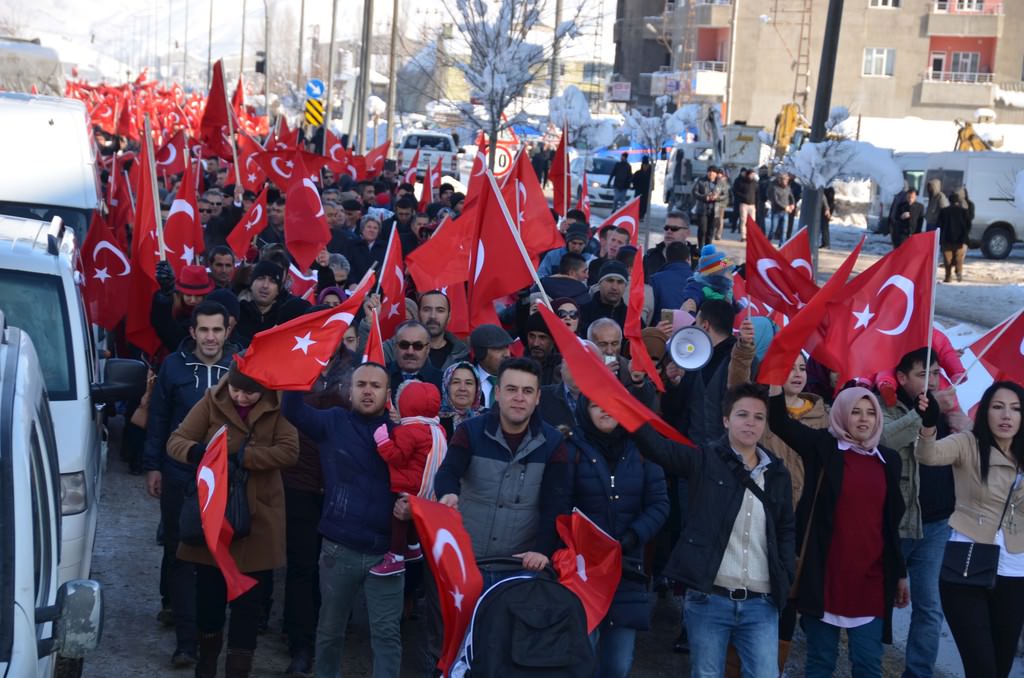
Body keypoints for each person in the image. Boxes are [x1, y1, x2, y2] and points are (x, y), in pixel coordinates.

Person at [631, 383, 795, 677]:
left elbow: (785, 527)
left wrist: (784, 572)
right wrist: (631, 396)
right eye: (742, 414)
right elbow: (656, 447)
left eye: (759, 417)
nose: (751, 422)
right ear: (726, 420)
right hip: (709, 599)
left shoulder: (778, 473)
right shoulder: (704, 460)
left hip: (761, 603)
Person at [167, 362, 300, 678]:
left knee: (249, 607)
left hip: (258, 520)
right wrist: (203, 453)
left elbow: (290, 451)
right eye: (236, 390)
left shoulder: (276, 407)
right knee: (209, 601)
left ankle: (238, 670)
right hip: (213, 517)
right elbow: (176, 442)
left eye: (250, 392)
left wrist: (246, 457)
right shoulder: (212, 400)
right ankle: (207, 662)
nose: (241, 397)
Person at [767, 385, 908, 678]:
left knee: (869, 664)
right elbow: (779, 422)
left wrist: (901, 573)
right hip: (824, 576)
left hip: (871, 578)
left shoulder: (888, 460)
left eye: (870, 412)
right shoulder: (823, 448)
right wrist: (775, 384)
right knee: (821, 662)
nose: (863, 419)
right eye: (855, 411)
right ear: (842, 413)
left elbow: (890, 524)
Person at [281, 363, 404, 678]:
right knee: (330, 631)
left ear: (388, 394)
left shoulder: (401, 434)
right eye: (360, 384)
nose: (367, 391)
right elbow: (293, 410)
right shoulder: (333, 422)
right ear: (349, 391)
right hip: (339, 548)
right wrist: (302, 363)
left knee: (387, 636)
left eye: (375, 386)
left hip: (387, 553)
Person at [143, 302, 234, 668]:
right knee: (180, 556)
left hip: (227, 480)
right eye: (204, 330)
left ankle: (210, 634)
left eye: (217, 330)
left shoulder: (241, 368)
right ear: (192, 333)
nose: (210, 337)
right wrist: (153, 466)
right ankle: (185, 642)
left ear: (227, 332)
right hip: (180, 475)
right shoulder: (173, 367)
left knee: (218, 556)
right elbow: (159, 419)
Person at [915, 381, 1024, 678]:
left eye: (1015, 409)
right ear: (985, 411)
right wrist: (928, 424)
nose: (1006, 415)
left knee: (999, 670)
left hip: (1015, 573)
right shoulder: (968, 443)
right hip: (966, 566)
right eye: (998, 407)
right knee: (983, 670)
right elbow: (928, 455)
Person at [434, 358, 571, 581]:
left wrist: (542, 550)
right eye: (511, 389)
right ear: (497, 393)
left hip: (519, 565)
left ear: (537, 398)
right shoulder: (470, 431)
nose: (519, 398)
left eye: (527, 391)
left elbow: (555, 503)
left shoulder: (553, 443)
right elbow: (448, 471)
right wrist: (448, 493)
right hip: (467, 560)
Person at [568, 397, 670, 678]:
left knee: (618, 666)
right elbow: (558, 501)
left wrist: (632, 536)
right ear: (585, 411)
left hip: (627, 571)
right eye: (596, 404)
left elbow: (660, 504)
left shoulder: (642, 450)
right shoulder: (569, 448)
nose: (605, 409)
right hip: (582, 572)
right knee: (580, 664)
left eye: (612, 403)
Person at [880, 348, 955, 678]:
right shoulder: (884, 404)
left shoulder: (947, 409)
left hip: (936, 524)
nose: (933, 381)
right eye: (923, 374)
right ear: (901, 378)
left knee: (929, 608)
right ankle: (866, 664)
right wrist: (921, 416)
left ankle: (918, 673)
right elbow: (883, 441)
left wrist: (949, 413)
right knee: (875, 603)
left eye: (936, 373)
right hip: (895, 525)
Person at [371, 381, 446, 576]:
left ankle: (395, 556)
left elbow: (397, 456)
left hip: (410, 483)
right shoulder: (438, 429)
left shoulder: (408, 431)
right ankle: (413, 547)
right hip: (428, 484)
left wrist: (383, 441)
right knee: (413, 518)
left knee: (399, 517)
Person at [384, 290, 469, 372]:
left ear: (449, 316)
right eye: (427, 310)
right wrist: (370, 324)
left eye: (440, 310)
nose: (433, 316)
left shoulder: (462, 353)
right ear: (418, 313)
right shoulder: (394, 347)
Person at [234, 261, 311, 347]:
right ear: (251, 283)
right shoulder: (237, 311)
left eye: (272, 281)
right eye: (261, 278)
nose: (265, 285)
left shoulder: (285, 317)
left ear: (278, 289)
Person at [151, 263, 215, 352]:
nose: (193, 300)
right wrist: (164, 296)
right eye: (188, 295)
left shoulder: (214, 314)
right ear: (181, 294)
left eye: (198, 296)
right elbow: (163, 327)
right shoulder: (171, 309)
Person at [386, 321, 443, 390]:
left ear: (427, 349)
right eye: (404, 345)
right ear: (395, 347)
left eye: (417, 346)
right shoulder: (381, 376)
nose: (410, 352)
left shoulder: (442, 382)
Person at [469, 324, 514, 408]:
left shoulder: (517, 380)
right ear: (481, 353)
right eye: (499, 349)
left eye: (507, 347)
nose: (507, 354)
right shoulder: (464, 381)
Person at [579, 260, 629, 333]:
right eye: (610, 281)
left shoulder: (632, 318)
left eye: (620, 282)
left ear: (625, 286)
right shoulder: (582, 313)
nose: (614, 287)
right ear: (599, 284)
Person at [644, 211, 699, 278]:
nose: (669, 232)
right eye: (666, 228)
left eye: (674, 228)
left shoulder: (699, 258)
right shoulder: (650, 256)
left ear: (687, 233)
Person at [439, 361, 485, 439]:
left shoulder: (489, 419)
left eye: (468, 383)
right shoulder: (436, 421)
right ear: (446, 386)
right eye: (456, 382)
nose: (462, 388)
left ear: (477, 388)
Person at [650, 242, 694, 320]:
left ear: (666, 259)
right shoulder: (700, 281)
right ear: (688, 259)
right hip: (691, 330)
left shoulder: (655, 280)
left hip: (663, 330)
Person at [692, 167, 728, 249]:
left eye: (713, 172)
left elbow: (725, 195)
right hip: (703, 209)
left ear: (716, 174)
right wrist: (704, 197)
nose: (711, 174)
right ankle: (700, 247)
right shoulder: (701, 181)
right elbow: (694, 192)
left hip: (714, 210)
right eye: (709, 172)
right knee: (702, 229)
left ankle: (708, 248)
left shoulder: (720, 183)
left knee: (710, 231)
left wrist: (717, 197)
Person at [939, 191, 970, 283]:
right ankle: (959, 272)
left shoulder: (944, 211)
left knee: (947, 259)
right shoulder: (964, 212)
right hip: (960, 239)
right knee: (958, 258)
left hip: (947, 238)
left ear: (949, 200)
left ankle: (948, 277)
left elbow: (939, 224)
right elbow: (968, 225)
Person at [345, 215, 387, 284]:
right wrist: (351, 283)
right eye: (369, 227)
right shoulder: (352, 245)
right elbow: (348, 266)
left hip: (376, 288)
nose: (372, 230)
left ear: (378, 231)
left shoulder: (384, 247)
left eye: (375, 228)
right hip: (355, 286)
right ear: (362, 229)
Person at [768, 174, 796, 247]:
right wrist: (785, 207)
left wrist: (792, 204)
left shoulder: (788, 188)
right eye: (784, 180)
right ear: (780, 180)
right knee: (773, 229)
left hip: (785, 212)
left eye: (787, 180)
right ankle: (767, 242)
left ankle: (782, 245)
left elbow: (791, 197)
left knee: (784, 230)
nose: (786, 182)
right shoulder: (775, 188)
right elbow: (776, 201)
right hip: (776, 212)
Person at [733, 169, 758, 241]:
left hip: (752, 205)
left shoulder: (755, 183)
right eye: (751, 174)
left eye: (753, 174)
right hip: (744, 204)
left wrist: (756, 205)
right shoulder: (742, 182)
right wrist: (742, 197)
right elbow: (736, 191)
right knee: (743, 220)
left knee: (752, 222)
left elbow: (757, 194)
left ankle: (751, 236)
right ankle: (743, 236)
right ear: (748, 174)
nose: (752, 176)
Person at [632, 155, 653, 219]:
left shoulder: (650, 173)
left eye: (646, 165)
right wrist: (635, 186)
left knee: (644, 204)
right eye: (644, 165)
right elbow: (634, 180)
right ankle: (637, 215)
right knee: (638, 204)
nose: (645, 167)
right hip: (639, 190)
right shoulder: (638, 173)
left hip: (646, 191)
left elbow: (652, 181)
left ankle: (641, 215)